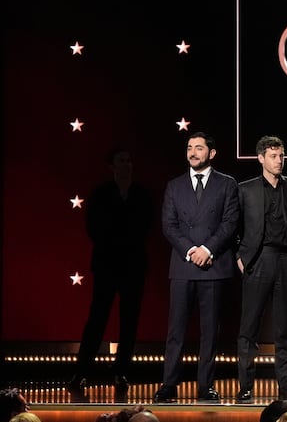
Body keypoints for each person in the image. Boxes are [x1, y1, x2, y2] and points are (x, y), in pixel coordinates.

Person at [153, 131, 241, 403]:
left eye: (199, 148)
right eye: (189, 147)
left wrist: (208, 249)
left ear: (211, 153)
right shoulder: (174, 185)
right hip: (183, 265)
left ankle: (206, 386)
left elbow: (230, 223)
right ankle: (169, 385)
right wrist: (192, 250)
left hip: (213, 267)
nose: (193, 152)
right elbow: (169, 225)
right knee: (175, 332)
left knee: (209, 332)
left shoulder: (227, 184)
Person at [68, 148, 154, 396]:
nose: (126, 165)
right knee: (97, 320)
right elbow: (94, 229)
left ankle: (121, 372)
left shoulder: (141, 195)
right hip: (107, 266)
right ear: (112, 167)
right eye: (121, 161)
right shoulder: (100, 194)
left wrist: (125, 240)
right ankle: (82, 372)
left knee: (129, 322)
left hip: (134, 268)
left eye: (129, 160)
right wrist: (119, 241)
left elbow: (144, 228)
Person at [236, 136, 287, 403]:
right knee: (249, 327)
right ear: (261, 158)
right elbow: (234, 225)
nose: (279, 161)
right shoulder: (246, 189)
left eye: (281, 155)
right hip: (258, 259)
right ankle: (245, 386)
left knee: (283, 329)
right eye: (274, 156)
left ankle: (286, 385)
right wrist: (240, 256)